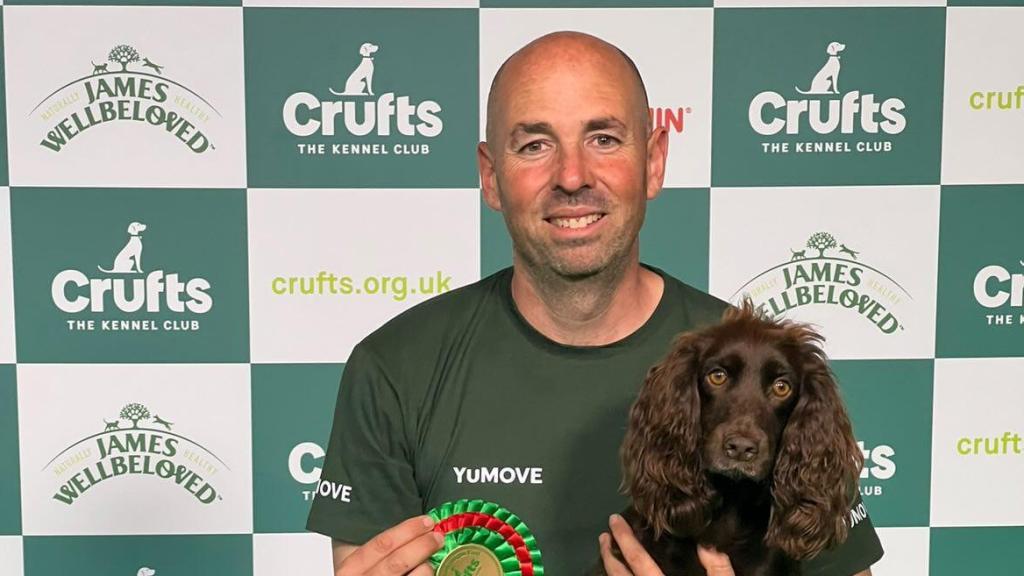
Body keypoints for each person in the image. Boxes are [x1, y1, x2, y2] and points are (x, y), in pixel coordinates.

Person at [306, 31, 883, 576]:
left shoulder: (760, 364)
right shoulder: (395, 367)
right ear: (490, 176)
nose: (572, 175)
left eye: (603, 139)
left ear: (654, 160)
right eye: (535, 145)